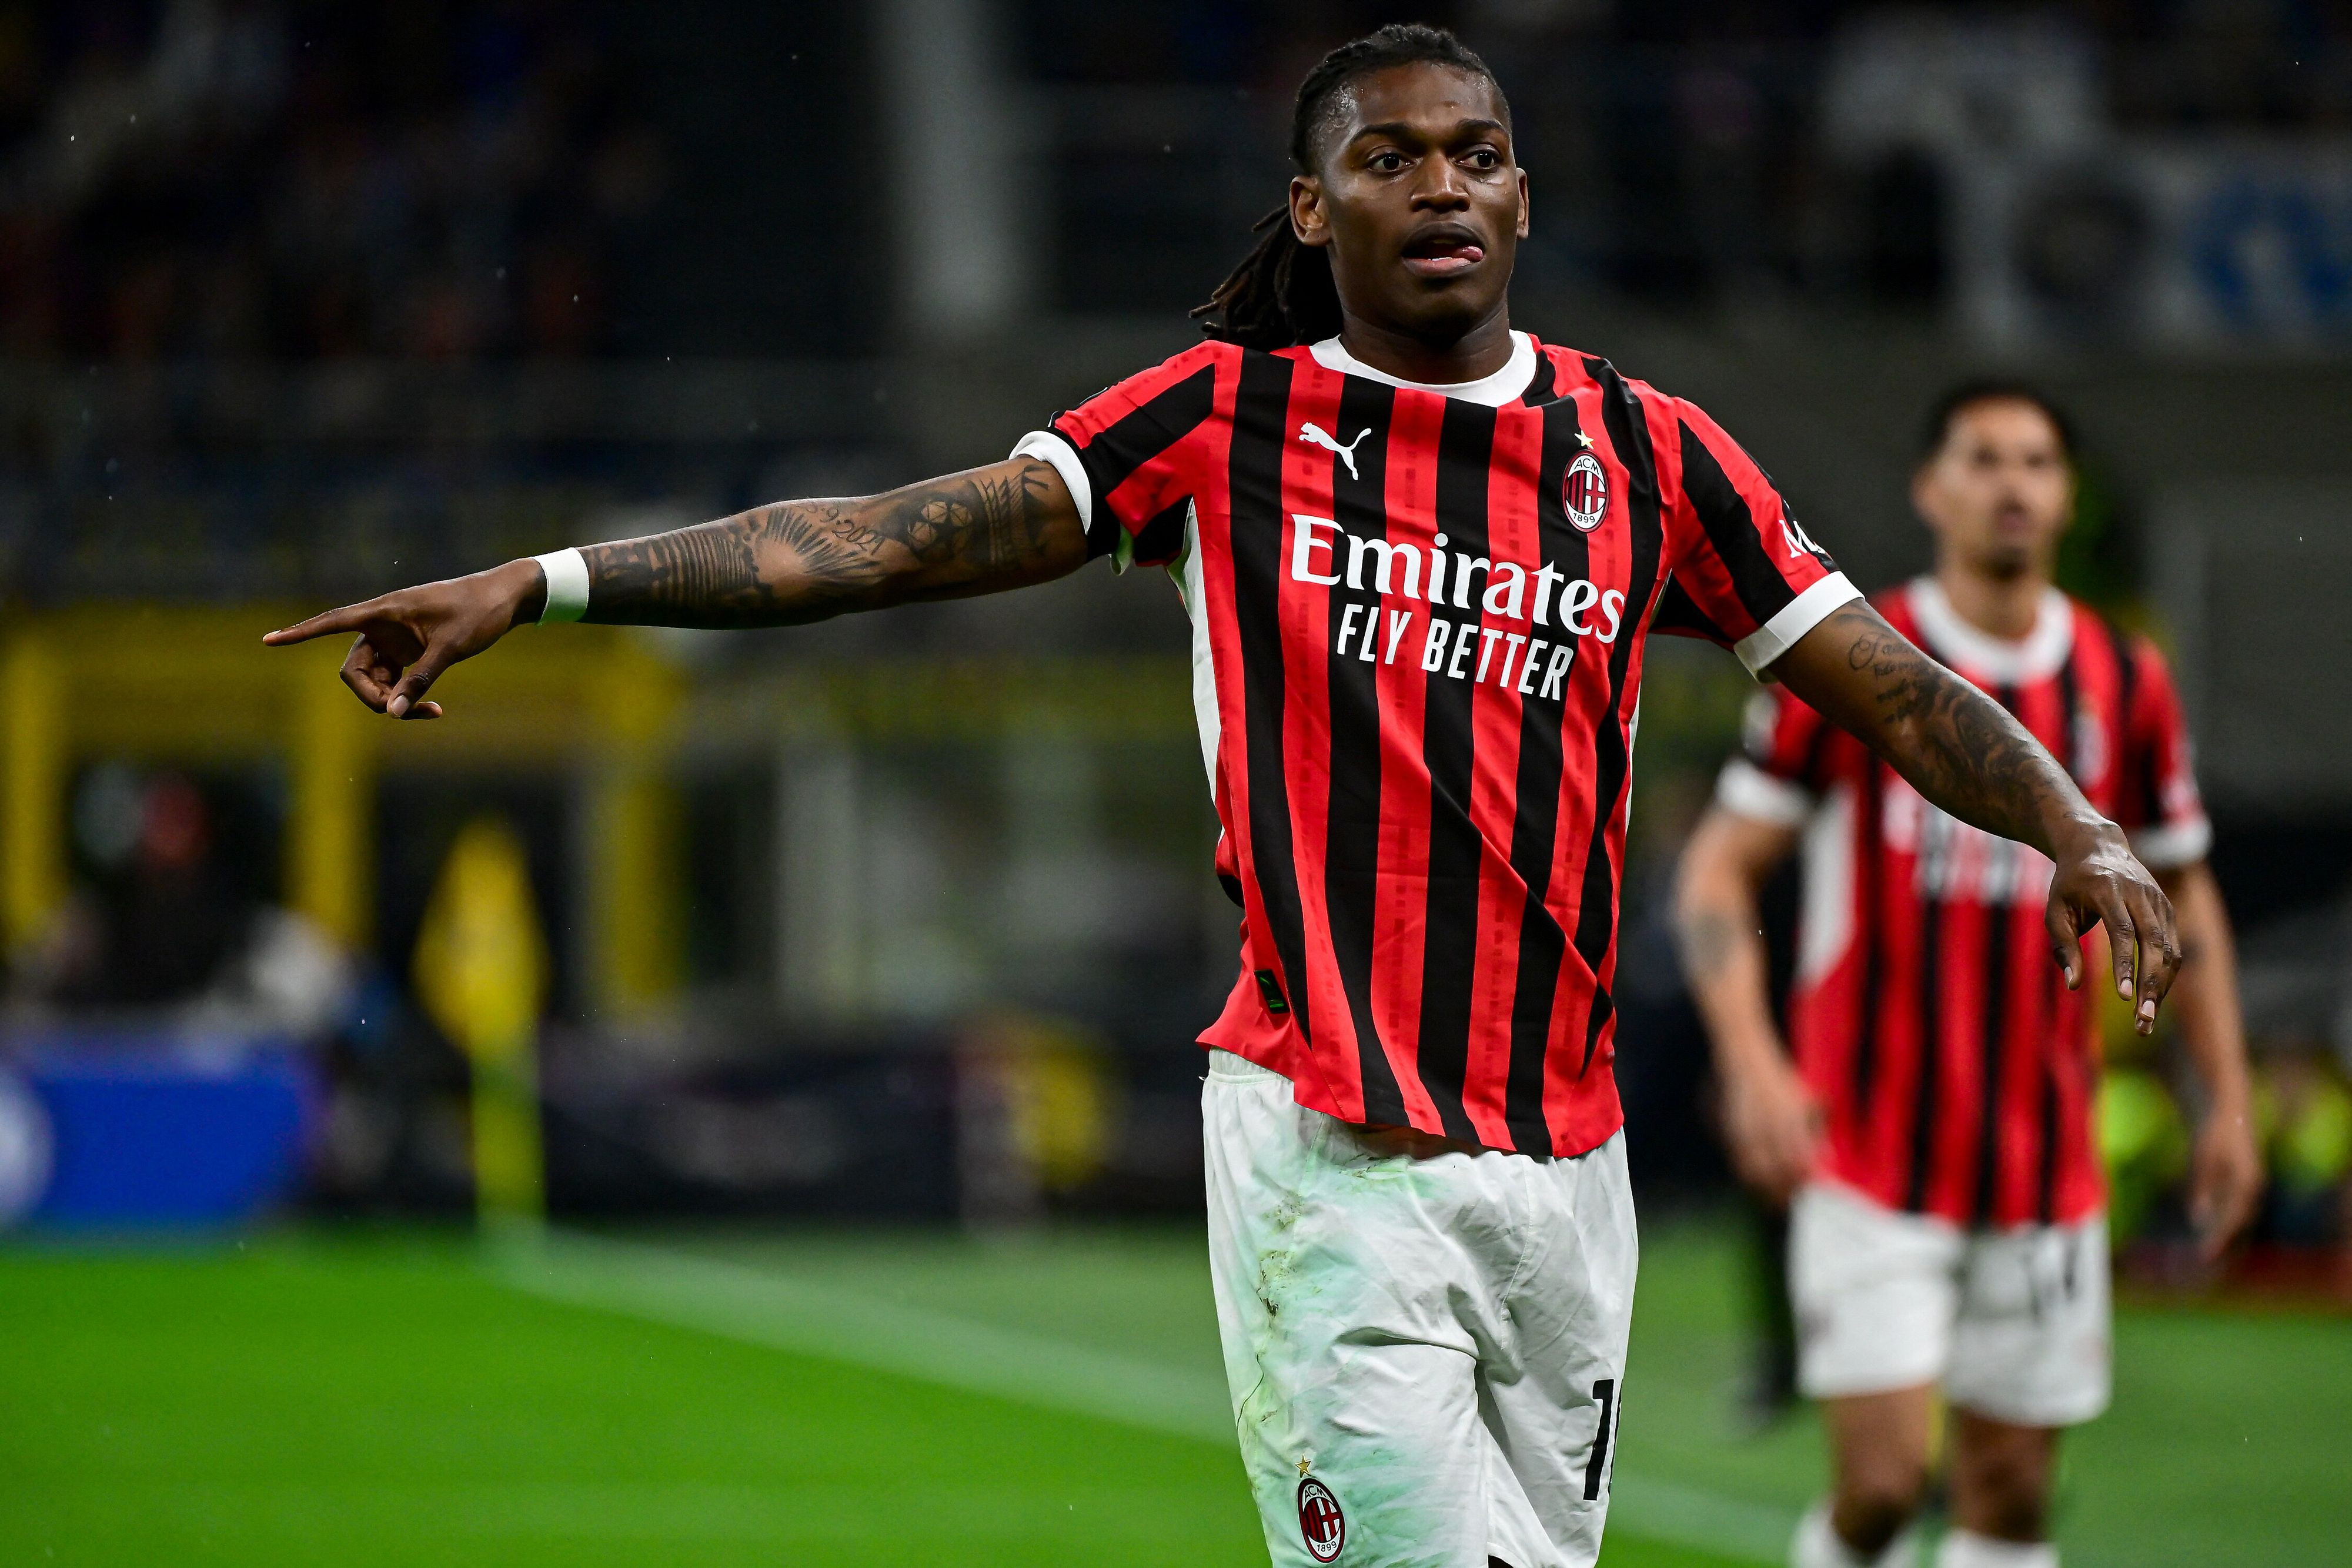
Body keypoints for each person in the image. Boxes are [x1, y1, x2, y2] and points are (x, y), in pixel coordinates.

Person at [266, 32, 2187, 1568]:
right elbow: (877, 538)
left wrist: (2080, 829)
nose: (1444, 184)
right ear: (1314, 204)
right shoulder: (1225, 419)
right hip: (1335, 1159)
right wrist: (547, 580)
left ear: (1524, 193)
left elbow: (1894, 683)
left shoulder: (1647, 450)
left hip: (1569, 1165)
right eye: (1392, 156)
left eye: (1479, 152)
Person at [1675, 383, 2261, 1568]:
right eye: (1982, 458)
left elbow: (2184, 888)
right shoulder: (1857, 658)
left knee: (2009, 1491)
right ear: (1928, 489)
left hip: (2041, 1156)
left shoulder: (2124, 680)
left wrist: (2229, 1101)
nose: (2010, 484)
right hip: (1867, 1146)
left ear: (2066, 494)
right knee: (1885, 1483)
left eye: (2035, 461)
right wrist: (1751, 1064)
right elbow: (1715, 874)